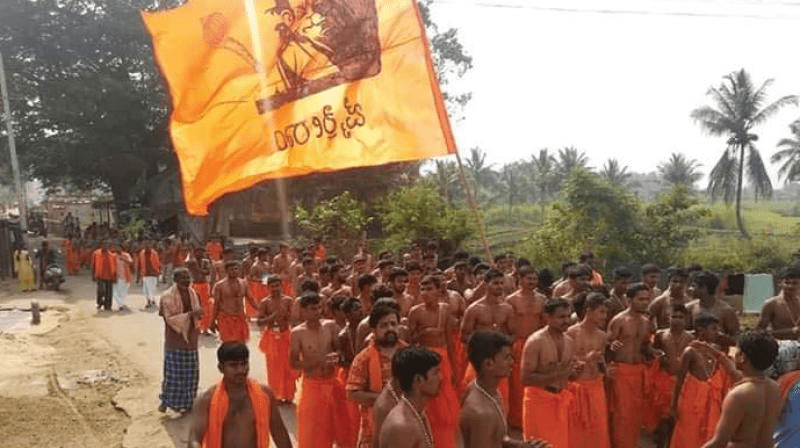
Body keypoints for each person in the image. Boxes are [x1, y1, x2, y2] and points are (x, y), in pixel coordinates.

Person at [188, 342, 292, 448]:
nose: (241, 370)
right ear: (221, 368)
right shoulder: (206, 399)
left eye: (244, 364)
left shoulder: (265, 394)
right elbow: (195, 437)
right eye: (233, 365)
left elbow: (279, 433)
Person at [460, 330, 550, 448]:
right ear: (489, 364)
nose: (512, 362)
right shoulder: (482, 413)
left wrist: (521, 446)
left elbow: (496, 437)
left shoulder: (487, 390)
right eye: (506, 358)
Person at [669, 313, 741, 448]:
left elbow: (734, 343)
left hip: (712, 401)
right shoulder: (690, 352)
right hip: (692, 400)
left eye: (717, 328)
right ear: (701, 331)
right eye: (713, 328)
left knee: (710, 434)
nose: (717, 332)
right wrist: (673, 406)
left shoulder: (717, 350)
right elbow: (679, 381)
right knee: (688, 435)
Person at [703, 332, 780, 448]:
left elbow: (719, 442)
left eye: (737, 351)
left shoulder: (738, 395)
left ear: (742, 357)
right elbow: (741, 376)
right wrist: (719, 356)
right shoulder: (774, 388)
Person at [407, 276, 459, 448]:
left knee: (446, 404)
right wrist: (424, 334)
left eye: (430, 289)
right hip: (424, 361)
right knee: (428, 402)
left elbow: (450, 341)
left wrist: (454, 368)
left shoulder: (445, 309)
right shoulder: (415, 312)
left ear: (438, 291)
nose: (426, 293)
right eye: (423, 289)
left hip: (443, 359)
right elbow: (409, 341)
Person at [607, 283, 661, 448]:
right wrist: (611, 346)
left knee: (635, 415)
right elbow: (607, 343)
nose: (645, 302)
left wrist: (653, 351)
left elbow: (645, 344)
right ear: (629, 300)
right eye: (641, 299)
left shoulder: (646, 321)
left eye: (647, 299)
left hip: (639, 372)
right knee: (621, 415)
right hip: (622, 372)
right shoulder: (619, 320)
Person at [347, 301, 406, 448]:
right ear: (373, 329)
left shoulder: (408, 354)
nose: (390, 328)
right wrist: (386, 399)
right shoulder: (364, 358)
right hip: (373, 430)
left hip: (407, 428)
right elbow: (352, 393)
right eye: (384, 325)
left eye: (393, 324)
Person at [520, 298, 577, 447]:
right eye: (561, 317)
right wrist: (561, 373)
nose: (566, 321)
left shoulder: (569, 341)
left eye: (568, 316)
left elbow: (569, 375)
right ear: (548, 317)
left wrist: (576, 371)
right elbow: (525, 378)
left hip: (559, 402)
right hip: (538, 403)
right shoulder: (535, 342)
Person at [290, 292, 341, 448]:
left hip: (332, 384)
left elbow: (340, 351)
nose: (318, 312)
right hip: (312, 385)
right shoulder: (297, 333)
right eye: (313, 309)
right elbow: (293, 363)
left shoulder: (331, 326)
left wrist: (336, 357)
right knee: (311, 432)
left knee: (337, 429)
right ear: (304, 311)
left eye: (319, 307)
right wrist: (315, 361)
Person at [565, 293, 610, 448]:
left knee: (598, 430)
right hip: (577, 388)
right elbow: (567, 365)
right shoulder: (571, 333)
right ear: (589, 311)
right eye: (601, 312)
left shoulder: (603, 336)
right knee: (577, 432)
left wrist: (605, 369)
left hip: (596, 387)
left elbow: (601, 361)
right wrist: (586, 359)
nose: (605, 316)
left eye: (606, 312)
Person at [505, 266, 546, 429]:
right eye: (528, 279)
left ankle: (535, 417)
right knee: (516, 382)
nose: (532, 282)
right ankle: (516, 420)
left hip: (536, 344)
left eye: (534, 279)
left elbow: (544, 322)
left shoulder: (542, 299)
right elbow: (508, 326)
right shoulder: (511, 300)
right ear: (520, 280)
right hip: (518, 344)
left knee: (536, 380)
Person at [377, 347, 442, 448]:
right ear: (418, 380)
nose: (441, 378)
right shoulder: (402, 426)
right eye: (435, 373)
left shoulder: (418, 413)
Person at [158, 268, 203, 413]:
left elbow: (199, 314)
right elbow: (168, 318)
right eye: (182, 278)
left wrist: (197, 315)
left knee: (191, 373)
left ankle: (188, 402)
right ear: (176, 280)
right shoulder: (167, 297)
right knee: (173, 373)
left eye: (188, 277)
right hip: (175, 339)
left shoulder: (194, 294)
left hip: (191, 339)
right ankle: (166, 401)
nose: (186, 280)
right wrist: (190, 315)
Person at [650, 303, 694, 448]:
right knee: (663, 420)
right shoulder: (660, 334)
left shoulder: (691, 337)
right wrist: (659, 356)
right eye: (674, 316)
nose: (677, 320)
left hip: (683, 383)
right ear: (668, 318)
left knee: (678, 421)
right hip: (664, 382)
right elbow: (652, 352)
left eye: (680, 317)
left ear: (686, 319)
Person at [257, 275, 296, 403]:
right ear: (268, 288)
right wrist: (271, 318)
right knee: (273, 367)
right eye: (272, 286)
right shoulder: (265, 302)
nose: (275, 288)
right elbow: (259, 321)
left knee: (288, 366)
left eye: (277, 285)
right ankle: (276, 394)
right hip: (272, 337)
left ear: (282, 286)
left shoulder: (288, 300)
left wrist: (288, 316)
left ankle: (289, 395)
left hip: (285, 335)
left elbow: (294, 318)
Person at [686, 271, 740, 348]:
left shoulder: (726, 311)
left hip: (718, 356)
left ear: (703, 288)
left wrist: (720, 337)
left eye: (694, 286)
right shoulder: (690, 308)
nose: (690, 289)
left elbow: (737, 338)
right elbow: (682, 333)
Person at [211, 261, 256, 343]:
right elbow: (216, 305)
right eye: (231, 269)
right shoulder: (219, 286)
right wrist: (212, 321)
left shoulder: (243, 283)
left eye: (236, 269)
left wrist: (263, 310)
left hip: (240, 317)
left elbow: (251, 300)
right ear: (226, 271)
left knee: (241, 344)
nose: (234, 271)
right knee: (228, 344)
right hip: (226, 318)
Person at [756, 265, 800, 340]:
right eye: (787, 283)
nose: (790, 286)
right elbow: (759, 331)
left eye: (794, 283)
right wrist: (790, 331)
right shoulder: (772, 304)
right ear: (780, 283)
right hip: (779, 346)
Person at [187, 247, 214, 334]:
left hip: (204, 285)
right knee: (195, 305)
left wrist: (198, 269)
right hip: (195, 285)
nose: (200, 254)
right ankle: (196, 326)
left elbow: (208, 272)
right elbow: (186, 264)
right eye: (197, 252)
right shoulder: (191, 262)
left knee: (206, 307)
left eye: (201, 252)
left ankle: (205, 327)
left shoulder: (205, 262)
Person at [91, 240, 117, 311]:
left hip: (109, 276)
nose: (105, 246)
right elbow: (93, 265)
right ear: (101, 245)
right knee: (100, 291)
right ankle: (99, 302)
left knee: (109, 292)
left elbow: (114, 267)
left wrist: (115, 277)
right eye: (104, 244)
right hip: (100, 276)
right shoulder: (96, 253)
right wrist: (93, 275)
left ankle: (108, 305)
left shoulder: (112, 255)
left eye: (107, 244)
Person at [137, 239, 162, 309]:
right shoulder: (141, 253)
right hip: (145, 274)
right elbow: (139, 265)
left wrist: (159, 273)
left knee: (152, 289)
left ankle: (152, 300)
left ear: (150, 244)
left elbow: (158, 263)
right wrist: (138, 277)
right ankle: (148, 301)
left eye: (148, 244)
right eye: (145, 244)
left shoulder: (154, 253)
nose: (146, 246)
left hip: (153, 274)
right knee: (146, 289)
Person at [113, 241, 133, 311]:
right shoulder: (113, 256)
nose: (117, 249)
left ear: (122, 248)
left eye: (119, 247)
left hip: (125, 276)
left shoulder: (126, 255)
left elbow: (130, 262)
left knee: (123, 292)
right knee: (115, 292)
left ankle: (121, 304)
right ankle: (121, 305)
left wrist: (123, 259)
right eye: (116, 247)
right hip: (116, 276)